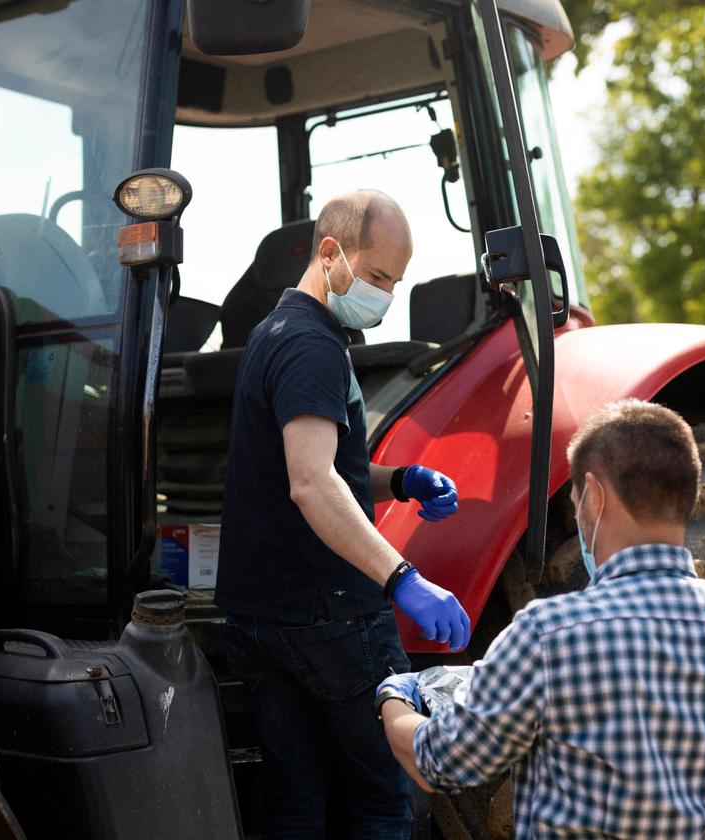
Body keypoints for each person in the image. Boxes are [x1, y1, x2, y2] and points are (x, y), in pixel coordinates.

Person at [376, 399, 705, 838]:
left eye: (574, 498)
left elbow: (437, 763)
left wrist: (393, 698)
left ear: (593, 495)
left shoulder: (550, 636)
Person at [216, 189, 472, 839]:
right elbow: (310, 483)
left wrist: (399, 480)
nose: (384, 295)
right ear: (330, 252)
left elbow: (312, 469)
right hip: (331, 615)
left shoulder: (271, 334)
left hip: (261, 617)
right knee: (384, 802)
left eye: (396, 282)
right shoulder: (313, 346)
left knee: (296, 805)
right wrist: (402, 578)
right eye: (377, 275)